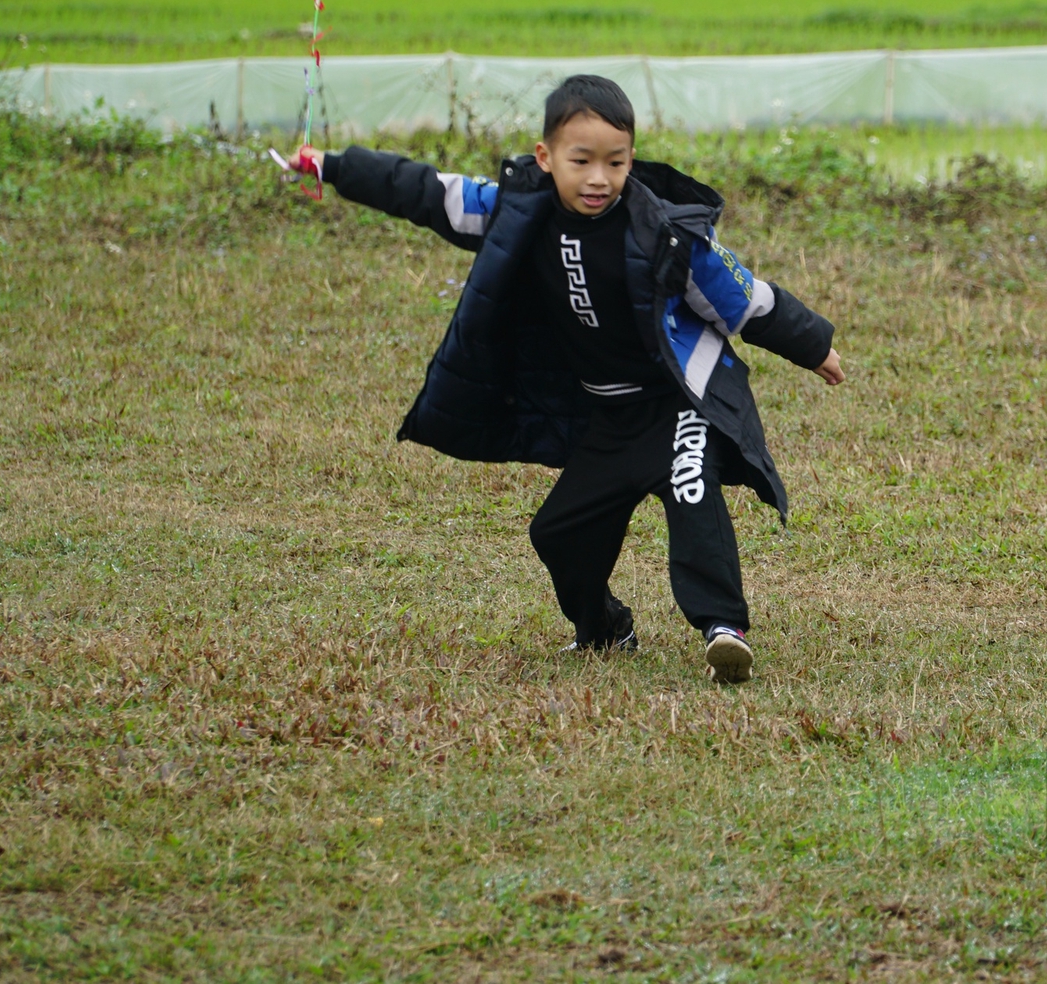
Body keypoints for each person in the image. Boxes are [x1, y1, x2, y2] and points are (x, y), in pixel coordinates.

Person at [282, 75, 843, 683]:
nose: (599, 178)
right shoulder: (516, 210)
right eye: (581, 161)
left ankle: (723, 629)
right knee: (557, 533)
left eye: (616, 161)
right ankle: (605, 628)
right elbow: (427, 191)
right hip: (609, 420)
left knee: (692, 495)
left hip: (676, 405)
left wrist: (812, 344)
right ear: (547, 158)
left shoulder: (664, 231)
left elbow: (742, 296)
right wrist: (332, 167)